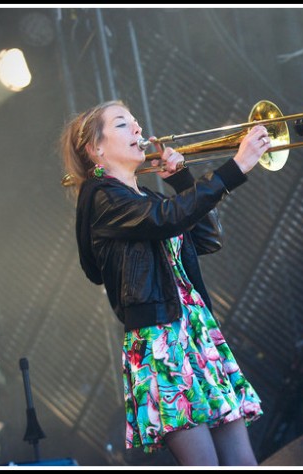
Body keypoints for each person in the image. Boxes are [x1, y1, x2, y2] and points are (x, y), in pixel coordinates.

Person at [59, 100, 269, 466]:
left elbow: (207, 238)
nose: (139, 130)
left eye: (136, 122)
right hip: (160, 339)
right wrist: (236, 167)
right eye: (123, 125)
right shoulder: (102, 198)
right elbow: (166, 218)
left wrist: (181, 180)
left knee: (243, 462)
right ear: (97, 149)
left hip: (195, 332)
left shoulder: (148, 197)